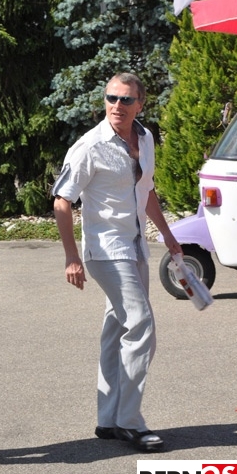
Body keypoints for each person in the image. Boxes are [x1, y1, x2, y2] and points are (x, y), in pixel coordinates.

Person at [52, 72, 182, 453]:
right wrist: (71, 256)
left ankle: (108, 419)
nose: (117, 106)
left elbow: (146, 190)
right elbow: (62, 201)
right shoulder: (89, 146)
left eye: (126, 99)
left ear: (140, 103)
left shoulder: (145, 138)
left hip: (136, 246)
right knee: (140, 324)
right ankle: (130, 421)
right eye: (111, 98)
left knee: (116, 327)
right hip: (106, 250)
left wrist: (168, 236)